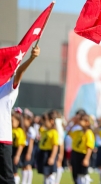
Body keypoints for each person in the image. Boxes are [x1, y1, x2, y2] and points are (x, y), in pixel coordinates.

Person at [0, 46, 40, 184]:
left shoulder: (8, 88)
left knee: (6, 179)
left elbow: (20, 72)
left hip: (2, 140)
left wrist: (32, 58)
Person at [68, 113, 95, 184]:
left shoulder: (89, 133)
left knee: (82, 174)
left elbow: (89, 147)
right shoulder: (78, 131)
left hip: (83, 155)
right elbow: (69, 133)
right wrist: (73, 123)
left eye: (81, 120)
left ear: (87, 122)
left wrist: (86, 159)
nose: (79, 122)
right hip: (75, 153)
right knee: (75, 173)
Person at [37, 111, 59, 184]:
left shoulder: (54, 132)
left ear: (51, 121)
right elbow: (40, 129)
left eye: (45, 121)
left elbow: (55, 146)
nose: (44, 123)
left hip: (49, 153)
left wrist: (52, 157)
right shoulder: (45, 131)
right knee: (45, 173)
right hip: (43, 153)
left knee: (50, 173)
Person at [21, 109, 36, 184]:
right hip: (23, 148)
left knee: (28, 165)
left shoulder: (31, 130)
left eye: (24, 120)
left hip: (28, 149)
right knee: (23, 166)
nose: (23, 122)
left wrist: (29, 153)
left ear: (29, 120)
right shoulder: (24, 129)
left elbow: (31, 143)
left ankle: (28, 182)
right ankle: (24, 181)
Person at [12, 110, 26, 184]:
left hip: (15, 151)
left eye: (12, 121)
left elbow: (21, 145)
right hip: (10, 150)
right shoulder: (11, 130)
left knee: (14, 171)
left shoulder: (20, 131)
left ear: (18, 121)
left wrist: (17, 156)